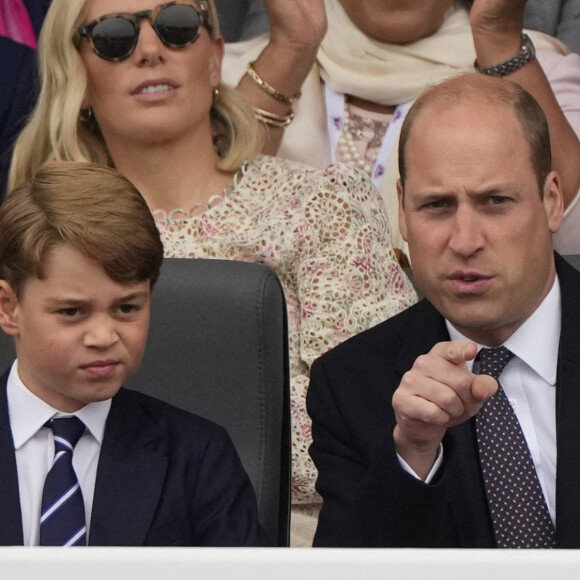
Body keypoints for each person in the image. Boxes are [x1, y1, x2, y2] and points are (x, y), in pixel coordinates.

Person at [7, 0, 417, 545]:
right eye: (113, 36)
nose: (150, 50)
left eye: (177, 25)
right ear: (72, 72)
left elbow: (376, 422)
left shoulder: (321, 202)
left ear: (215, 54)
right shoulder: (36, 235)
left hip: (312, 538)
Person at [306, 73, 580, 548]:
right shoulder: (352, 384)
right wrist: (412, 453)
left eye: (496, 201)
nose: (465, 241)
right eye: (436, 205)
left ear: (551, 200)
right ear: (403, 213)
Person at [0, 161, 264, 546]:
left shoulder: (198, 457)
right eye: (72, 312)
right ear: (9, 308)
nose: (104, 336)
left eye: (127, 308)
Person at [223, 0, 580, 260]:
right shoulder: (229, 74)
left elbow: (569, 232)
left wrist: (499, 40)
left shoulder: (533, 68)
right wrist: (290, 49)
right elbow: (195, 223)